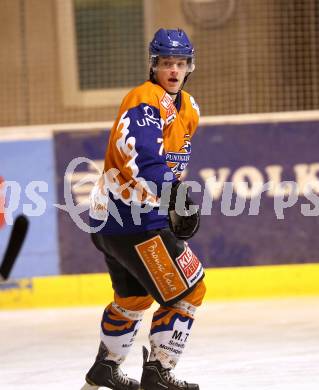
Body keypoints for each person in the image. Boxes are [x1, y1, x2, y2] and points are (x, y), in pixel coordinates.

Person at [82, 28, 206, 390]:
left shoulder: (190, 109)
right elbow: (145, 156)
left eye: (180, 63)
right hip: (135, 223)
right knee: (190, 290)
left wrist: (170, 198)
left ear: (189, 67)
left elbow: (170, 161)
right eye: (166, 62)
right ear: (154, 65)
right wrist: (174, 199)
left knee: (133, 299)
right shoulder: (144, 99)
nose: (173, 69)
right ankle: (158, 373)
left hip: (116, 223)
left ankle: (105, 369)